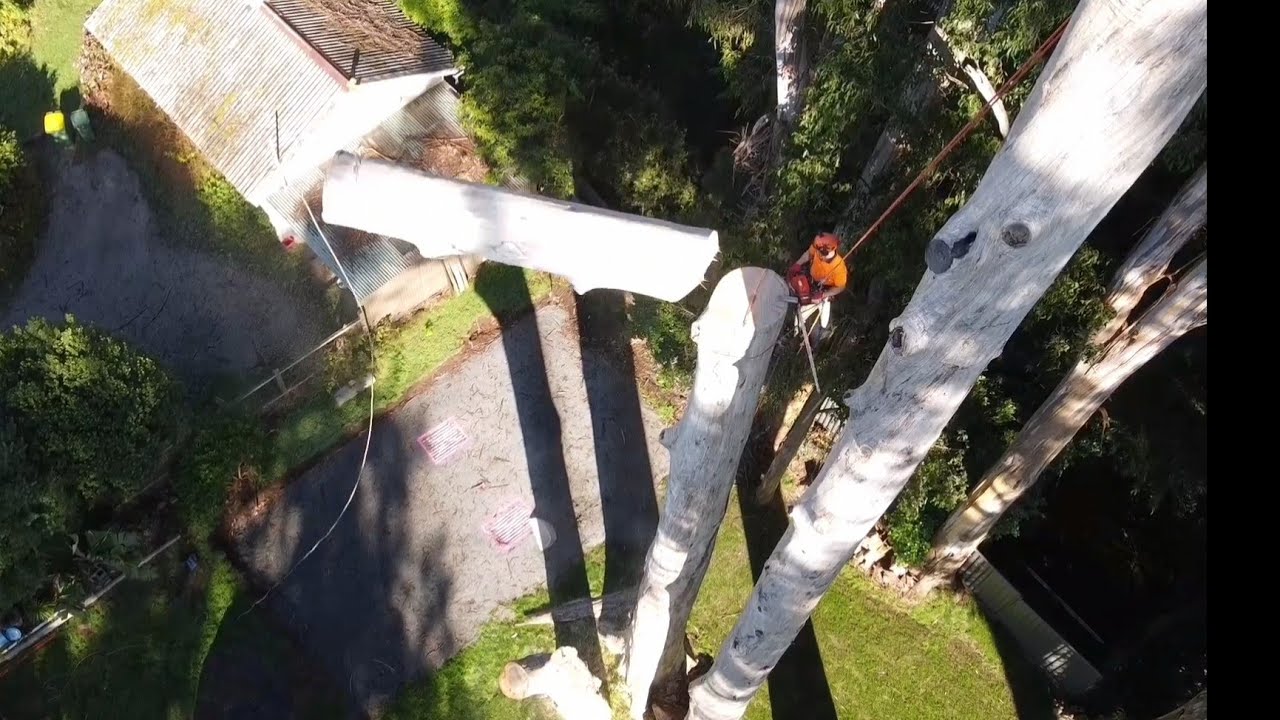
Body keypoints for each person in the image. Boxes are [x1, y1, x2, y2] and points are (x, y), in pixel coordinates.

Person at [789, 232, 848, 342]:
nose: (818, 254)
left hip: (825, 290)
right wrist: (798, 264)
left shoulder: (839, 268)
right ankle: (797, 330)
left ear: (827, 251)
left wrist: (823, 295)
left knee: (823, 321)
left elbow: (840, 287)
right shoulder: (818, 247)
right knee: (800, 310)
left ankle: (822, 334)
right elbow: (809, 253)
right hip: (812, 280)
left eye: (820, 253)